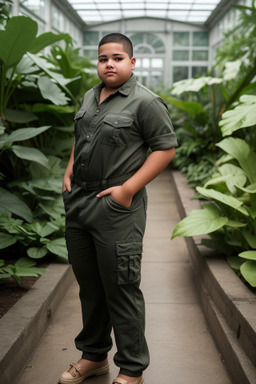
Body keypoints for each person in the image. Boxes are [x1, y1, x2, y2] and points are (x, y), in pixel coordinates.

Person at [59, 33, 178, 384]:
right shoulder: (89, 96)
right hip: (79, 203)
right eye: (102, 58)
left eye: (117, 58)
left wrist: (127, 190)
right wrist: (68, 170)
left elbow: (165, 149)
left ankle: (132, 368)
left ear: (132, 62)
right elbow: (80, 136)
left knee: (121, 287)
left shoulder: (146, 102)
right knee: (90, 286)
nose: (108, 64)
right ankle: (94, 357)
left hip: (116, 209)